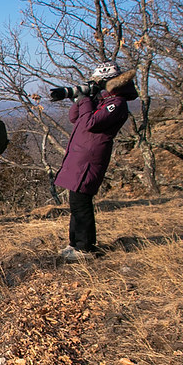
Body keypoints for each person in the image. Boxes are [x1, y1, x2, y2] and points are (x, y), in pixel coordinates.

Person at [53, 62, 139, 261]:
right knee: (75, 201)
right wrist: (84, 98)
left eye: (98, 82)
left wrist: (86, 100)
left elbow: (90, 123)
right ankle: (74, 243)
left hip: (91, 157)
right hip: (80, 155)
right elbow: (75, 117)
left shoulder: (116, 103)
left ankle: (85, 247)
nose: (95, 84)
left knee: (82, 202)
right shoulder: (101, 100)